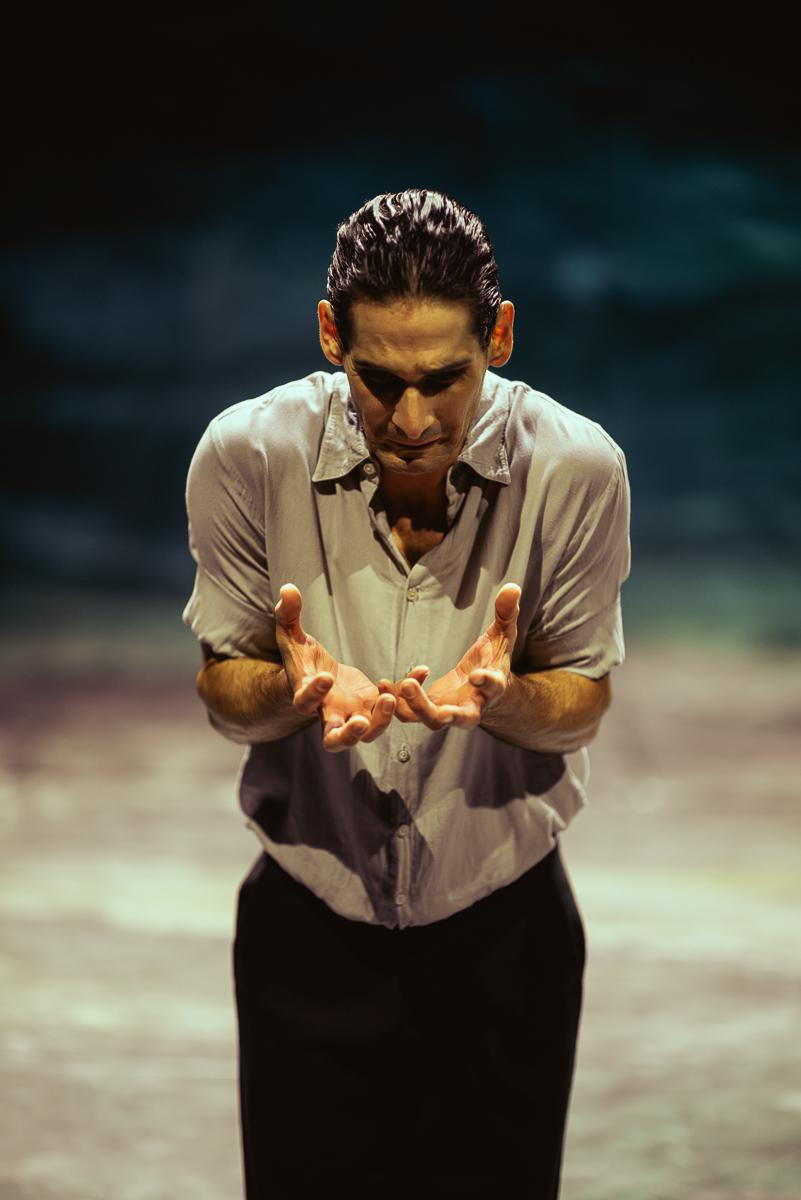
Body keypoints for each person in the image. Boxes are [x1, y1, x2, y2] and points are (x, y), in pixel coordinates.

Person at [181, 188, 631, 1200]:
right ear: (330, 336)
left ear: (499, 338)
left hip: (506, 928)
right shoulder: (248, 454)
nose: (412, 421)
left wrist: (504, 701)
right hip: (310, 920)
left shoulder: (576, 468)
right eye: (379, 381)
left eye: (443, 379)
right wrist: (292, 687)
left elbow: (584, 698)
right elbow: (222, 692)